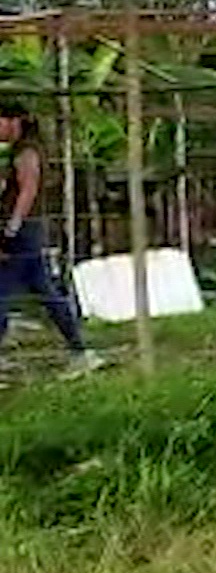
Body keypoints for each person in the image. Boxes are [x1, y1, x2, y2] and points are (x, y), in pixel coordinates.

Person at [0, 104, 102, 379]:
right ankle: (80, 351)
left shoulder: (27, 152)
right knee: (46, 292)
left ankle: (81, 351)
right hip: (28, 230)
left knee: (4, 292)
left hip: (24, 231)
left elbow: (28, 190)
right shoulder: (22, 151)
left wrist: (12, 228)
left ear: (14, 121)